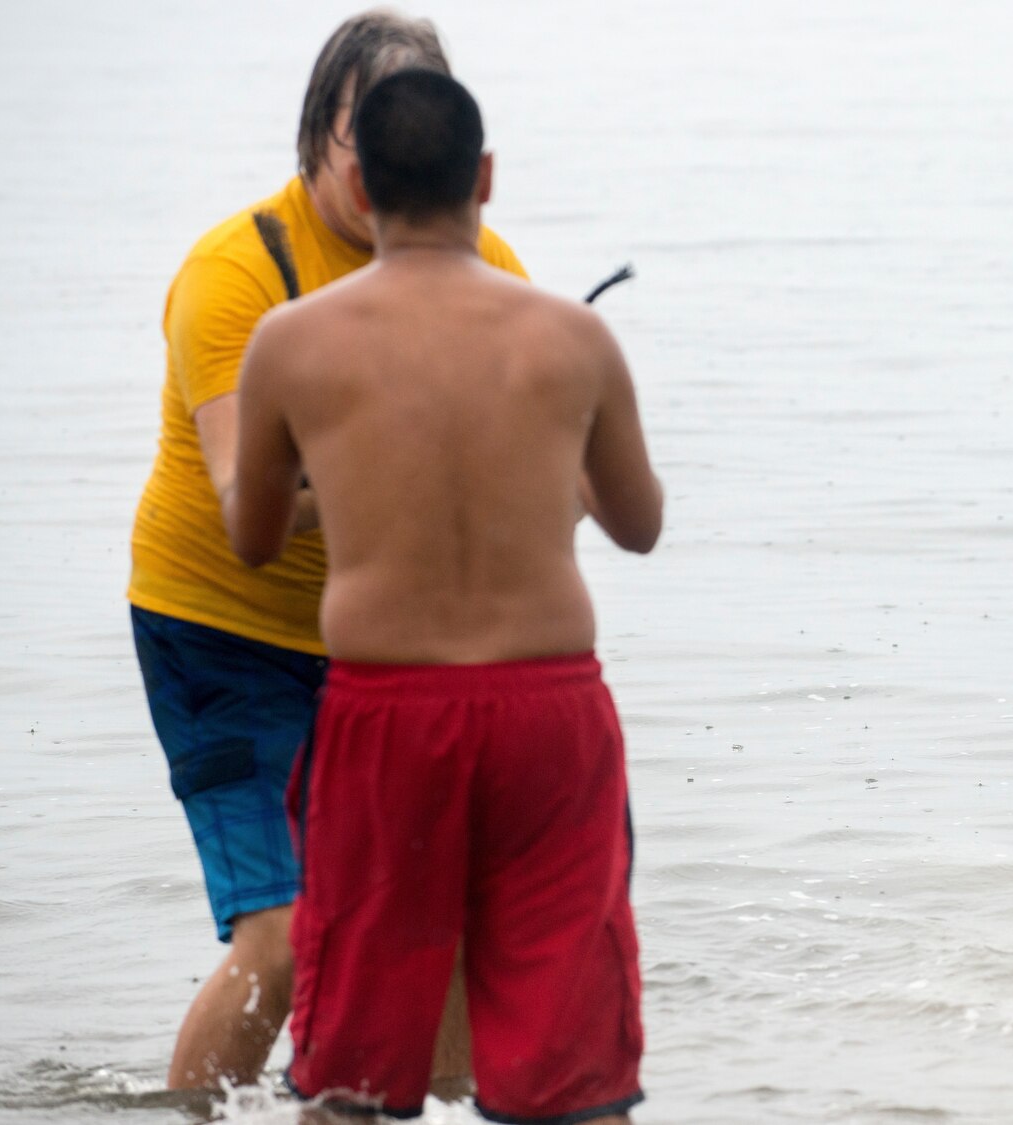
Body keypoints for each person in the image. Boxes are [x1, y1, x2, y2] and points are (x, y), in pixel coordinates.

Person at [226, 68, 661, 1122]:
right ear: (486, 179)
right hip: (548, 712)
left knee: (354, 1066)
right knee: (569, 1054)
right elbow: (638, 524)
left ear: (362, 192)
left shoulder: (290, 339)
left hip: (384, 715)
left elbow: (254, 537)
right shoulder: (574, 336)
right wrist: (552, 480)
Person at [126, 11, 527, 1091]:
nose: (389, 162)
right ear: (316, 136)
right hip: (221, 633)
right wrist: (390, 449)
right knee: (285, 940)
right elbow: (235, 506)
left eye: (416, 131)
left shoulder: (483, 261)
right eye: (366, 133)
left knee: (443, 926)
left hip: (388, 644)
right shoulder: (237, 272)